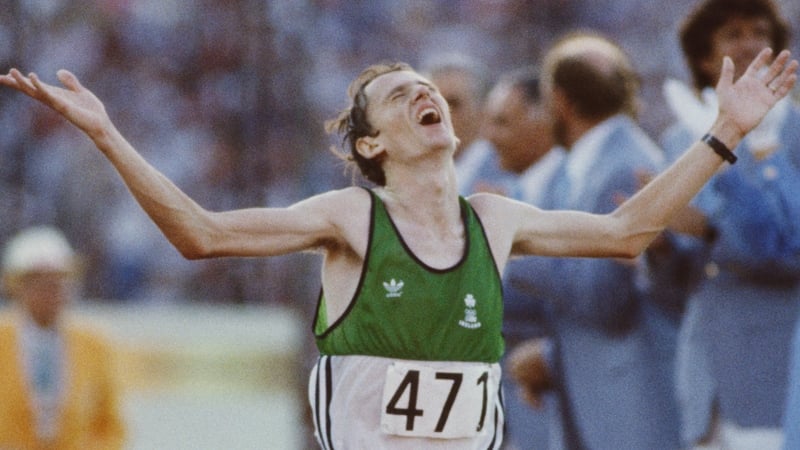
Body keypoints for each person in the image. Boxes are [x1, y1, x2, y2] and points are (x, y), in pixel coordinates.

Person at [0, 46, 795, 449]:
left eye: (430, 87)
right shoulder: (349, 216)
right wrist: (107, 134)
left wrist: (724, 131)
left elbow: (627, 234)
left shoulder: (497, 218)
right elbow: (200, 234)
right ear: (375, 144)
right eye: (399, 92)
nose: (425, 93)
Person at [503, 31, 681, 449]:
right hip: (587, 396)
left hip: (629, 399)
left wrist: (517, 247)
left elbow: (604, 299)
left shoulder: (622, 167)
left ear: (559, 101)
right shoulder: (580, 165)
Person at [655, 1, 800, 448]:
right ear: (704, 57)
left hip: (774, 364)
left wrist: (710, 230)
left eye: (760, 31)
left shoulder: (794, 132)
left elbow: (790, 253)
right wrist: (659, 243)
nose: (751, 43)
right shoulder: (681, 136)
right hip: (705, 369)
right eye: (733, 34)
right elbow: (675, 287)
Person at [480, 66, 563, 449]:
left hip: (555, 396)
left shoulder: (569, 183)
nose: (489, 137)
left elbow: (582, 284)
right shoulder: (514, 189)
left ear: (542, 120)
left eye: (502, 123)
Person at [0, 225, 126, 449]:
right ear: (16, 286)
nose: (50, 290)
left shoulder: (94, 345)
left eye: (58, 280)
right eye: (37, 281)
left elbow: (111, 427)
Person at [419, 52, 508, 196]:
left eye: (453, 104)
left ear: (482, 111)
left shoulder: (506, 171)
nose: (439, 114)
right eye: (431, 103)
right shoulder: (411, 173)